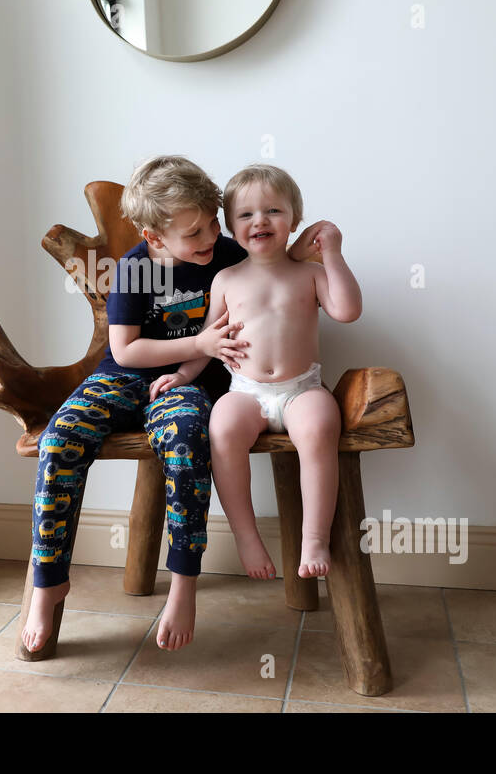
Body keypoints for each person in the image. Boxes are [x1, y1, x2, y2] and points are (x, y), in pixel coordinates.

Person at [21, 155, 332, 656]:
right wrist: (200, 344)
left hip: (190, 387)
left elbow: (278, 262)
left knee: (188, 441)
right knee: (58, 439)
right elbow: (126, 351)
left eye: (213, 222)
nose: (210, 237)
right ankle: (48, 581)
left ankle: (183, 583)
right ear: (154, 236)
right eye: (195, 233)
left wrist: (313, 238)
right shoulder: (134, 269)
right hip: (124, 379)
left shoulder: (230, 256)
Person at [169, 164, 362, 581]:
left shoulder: (309, 273)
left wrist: (332, 253)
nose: (260, 220)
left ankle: (314, 537)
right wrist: (183, 375)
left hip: (301, 387)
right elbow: (207, 339)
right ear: (229, 228)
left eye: (273, 210)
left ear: (294, 219)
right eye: (246, 214)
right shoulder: (226, 279)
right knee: (222, 427)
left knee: (318, 426)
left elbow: (347, 311)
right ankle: (246, 535)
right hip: (246, 390)